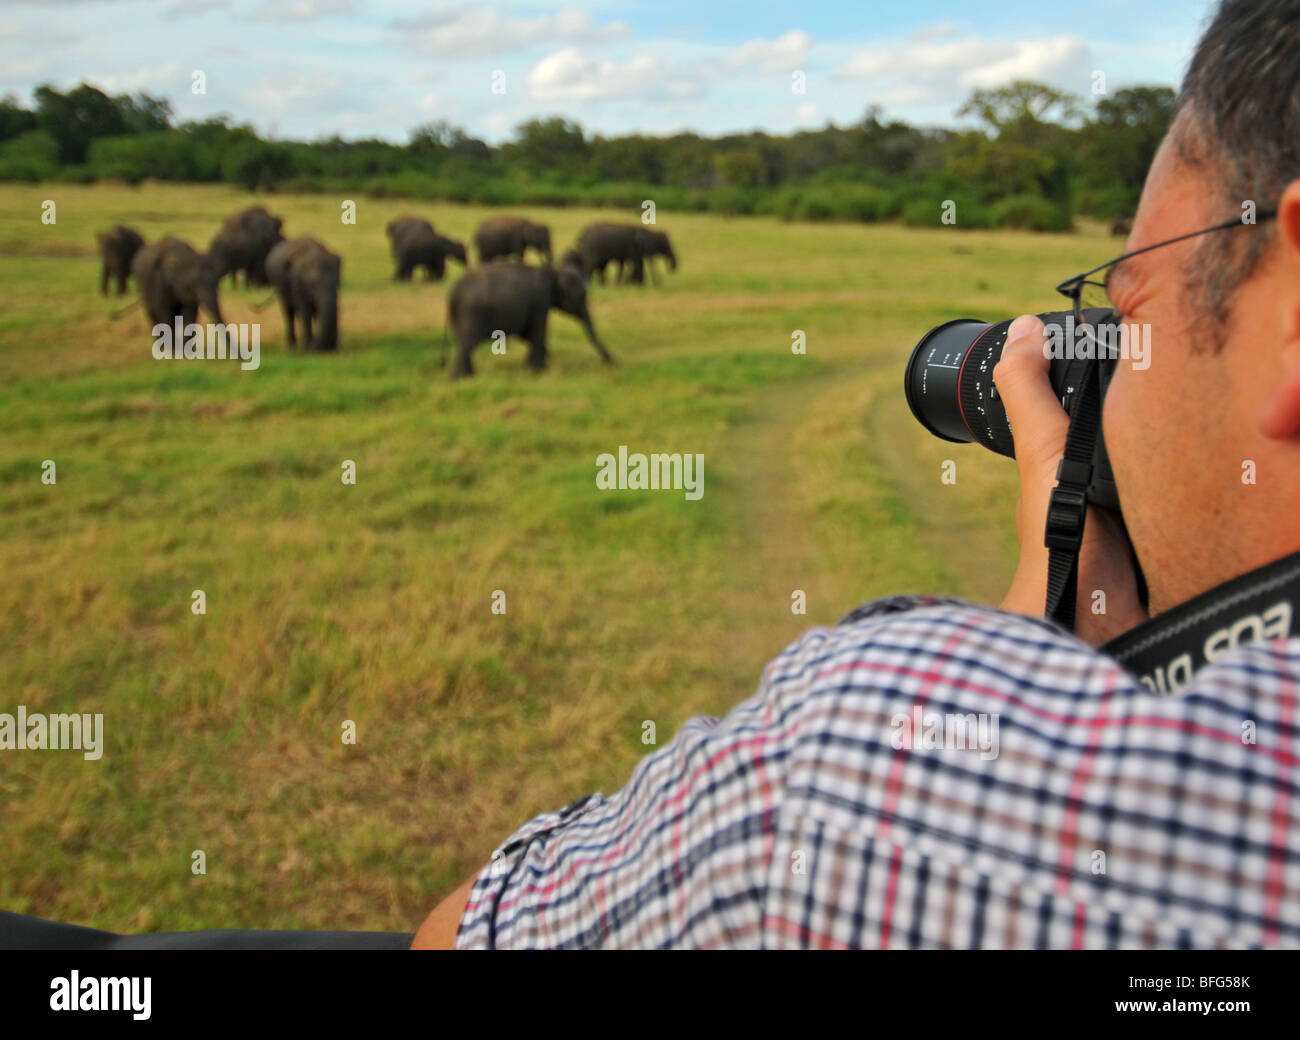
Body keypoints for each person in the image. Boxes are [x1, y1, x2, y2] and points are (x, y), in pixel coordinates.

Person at [413, 0, 1300, 949]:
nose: (1111, 362)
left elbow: (459, 935)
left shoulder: (854, 777)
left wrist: (1010, 670)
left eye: (1129, 299)